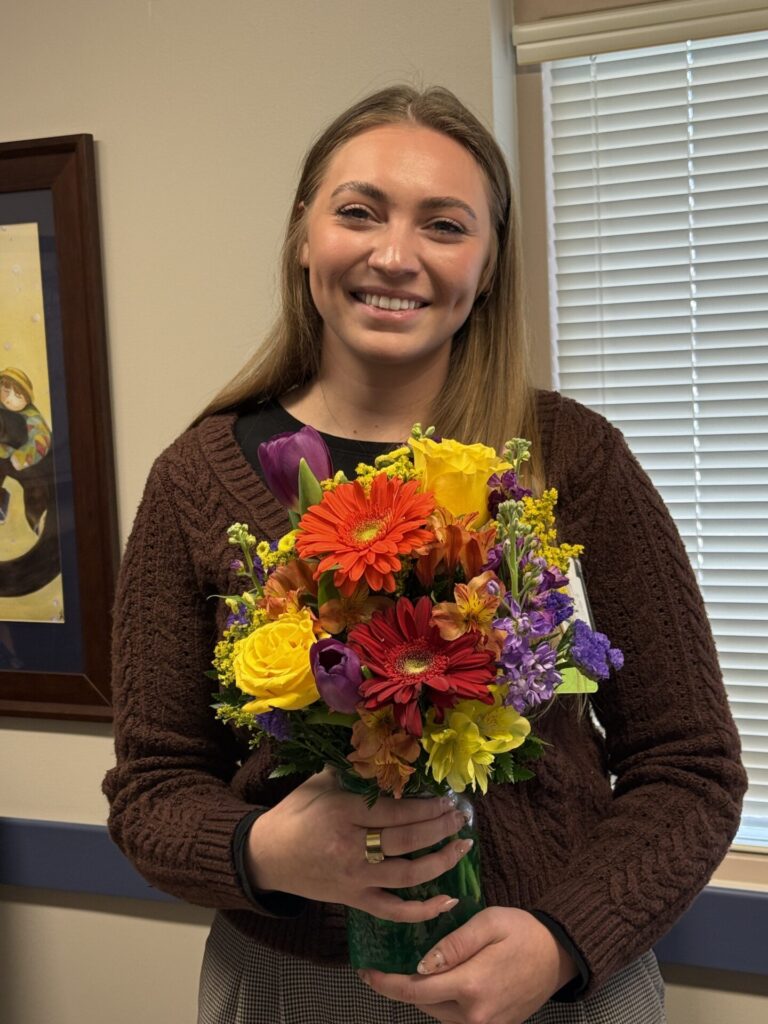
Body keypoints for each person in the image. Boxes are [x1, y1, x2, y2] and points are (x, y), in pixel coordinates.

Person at [103, 85, 747, 1024]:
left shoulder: (577, 460)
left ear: (487, 266)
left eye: (444, 225)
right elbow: (151, 788)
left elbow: (692, 767)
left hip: (557, 987)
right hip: (293, 989)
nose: (394, 256)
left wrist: (564, 939)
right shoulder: (195, 480)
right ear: (303, 235)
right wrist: (264, 852)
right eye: (358, 212)